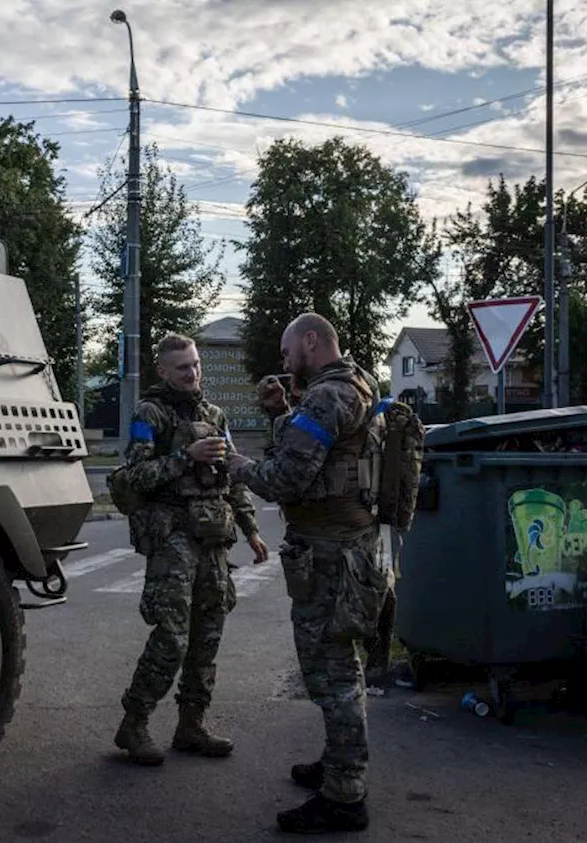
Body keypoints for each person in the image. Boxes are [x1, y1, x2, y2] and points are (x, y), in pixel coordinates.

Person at [227, 312, 390, 834]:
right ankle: (340, 763)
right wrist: (284, 411)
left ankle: (345, 796)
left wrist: (237, 466)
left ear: (311, 342)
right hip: (353, 549)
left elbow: (286, 480)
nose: (282, 361)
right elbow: (326, 453)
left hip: (330, 558)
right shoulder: (359, 383)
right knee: (341, 665)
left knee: (333, 674)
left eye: (286, 351)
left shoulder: (326, 397)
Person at [112, 332, 270, 767]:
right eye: (183, 367)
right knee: (171, 639)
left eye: (196, 364)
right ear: (163, 371)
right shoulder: (150, 413)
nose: (193, 373)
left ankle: (191, 724)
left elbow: (231, 477)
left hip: (214, 539)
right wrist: (186, 455)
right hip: (172, 541)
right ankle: (135, 723)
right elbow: (135, 474)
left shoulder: (215, 415)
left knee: (207, 637)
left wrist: (252, 530)